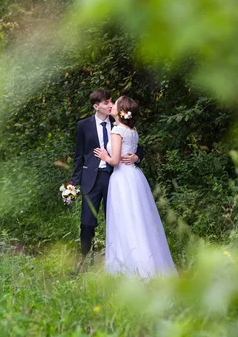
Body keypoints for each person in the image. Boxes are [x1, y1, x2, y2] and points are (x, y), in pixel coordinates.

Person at [94, 96, 177, 279]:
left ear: (121, 110)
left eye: (115, 103)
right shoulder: (132, 130)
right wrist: (135, 158)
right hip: (135, 176)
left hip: (122, 178)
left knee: (125, 220)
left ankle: (132, 268)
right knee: (140, 219)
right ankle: (149, 264)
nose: (112, 105)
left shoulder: (117, 130)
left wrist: (104, 156)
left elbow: (115, 161)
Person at [72, 89, 143, 272]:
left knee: (116, 221)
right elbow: (79, 156)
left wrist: (137, 156)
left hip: (114, 177)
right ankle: (83, 261)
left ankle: (121, 263)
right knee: (87, 222)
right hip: (91, 179)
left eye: (111, 101)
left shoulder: (118, 122)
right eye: (106, 102)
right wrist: (73, 184)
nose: (110, 104)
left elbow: (136, 146)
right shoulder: (83, 125)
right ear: (96, 106)